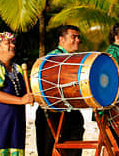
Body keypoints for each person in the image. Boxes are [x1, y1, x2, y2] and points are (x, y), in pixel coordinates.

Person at [35, 25, 84, 156]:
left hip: (71, 111)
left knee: (73, 151)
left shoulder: (75, 59)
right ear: (61, 39)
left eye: (79, 37)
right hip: (52, 111)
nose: (77, 40)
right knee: (49, 150)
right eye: (74, 37)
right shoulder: (51, 59)